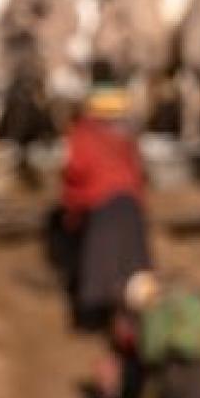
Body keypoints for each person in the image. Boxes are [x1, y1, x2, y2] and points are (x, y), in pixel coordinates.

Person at [53, 84, 151, 331]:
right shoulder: (127, 136)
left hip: (103, 209)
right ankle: (133, 328)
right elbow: (139, 174)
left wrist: (71, 210)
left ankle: (109, 328)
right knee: (133, 275)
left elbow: (75, 171)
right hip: (131, 208)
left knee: (106, 277)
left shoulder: (82, 135)